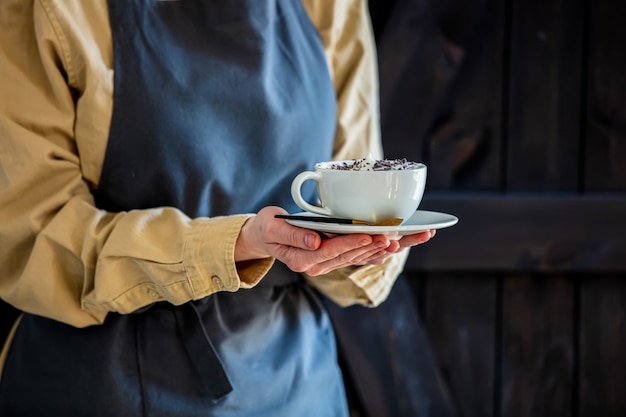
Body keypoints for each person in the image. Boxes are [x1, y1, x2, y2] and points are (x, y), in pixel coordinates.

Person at [0, 0, 435, 415]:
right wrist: (233, 245)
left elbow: (356, 186)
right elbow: (34, 240)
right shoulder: (53, 10)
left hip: (295, 383)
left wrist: (359, 247)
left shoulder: (331, 6)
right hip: (107, 381)